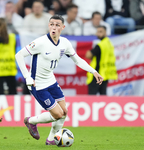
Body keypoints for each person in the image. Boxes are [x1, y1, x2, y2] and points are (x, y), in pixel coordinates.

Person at [15, 14, 103, 145]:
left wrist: (93, 71)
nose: (54, 27)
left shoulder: (65, 43)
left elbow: (77, 60)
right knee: (57, 114)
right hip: (37, 84)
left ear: (63, 27)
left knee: (64, 112)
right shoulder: (40, 42)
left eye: (57, 25)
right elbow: (19, 55)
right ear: (48, 26)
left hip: (51, 81)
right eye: (51, 24)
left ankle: (50, 140)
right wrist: (27, 77)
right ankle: (31, 121)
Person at [85, 25, 117, 95]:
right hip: (105, 74)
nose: (98, 34)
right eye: (97, 32)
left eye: (101, 32)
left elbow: (88, 55)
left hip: (97, 74)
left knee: (91, 98)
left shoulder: (100, 45)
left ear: (105, 33)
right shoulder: (109, 44)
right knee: (103, 96)